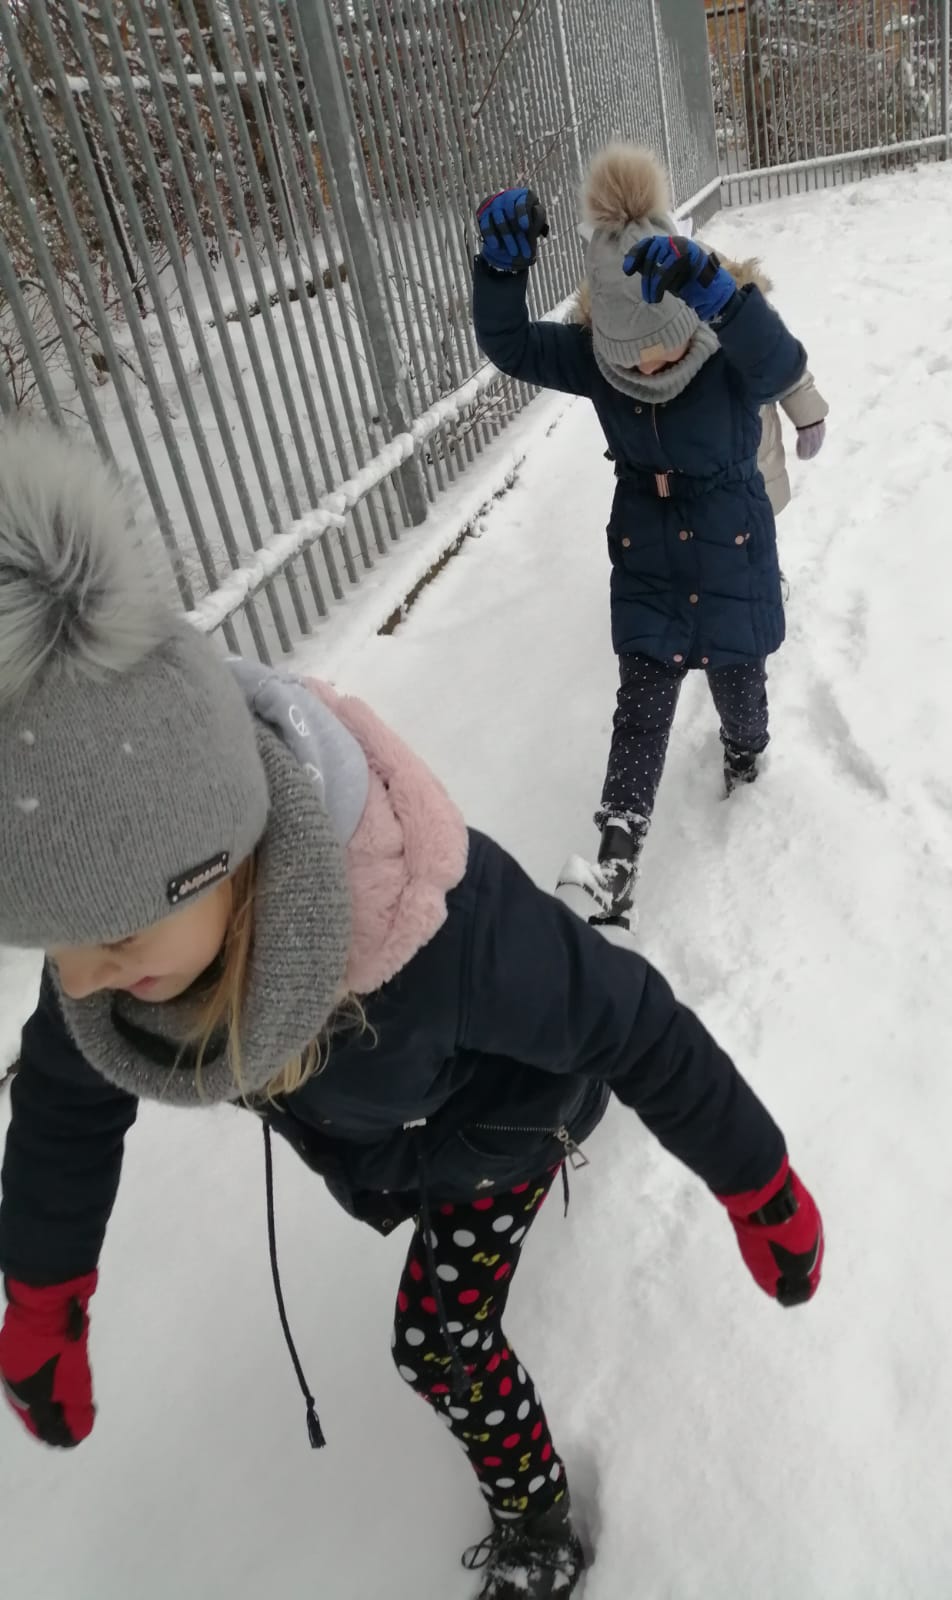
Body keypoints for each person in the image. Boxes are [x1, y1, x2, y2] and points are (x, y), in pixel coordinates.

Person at [0, 422, 825, 1600]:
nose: (76, 980)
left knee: (437, 1344)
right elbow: (67, 1100)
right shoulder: (120, 929)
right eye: (54, 948)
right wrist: (43, 1291)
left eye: (112, 943)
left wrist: (760, 1185)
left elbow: (634, 1023)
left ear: (223, 862)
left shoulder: (435, 931)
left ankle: (538, 1524)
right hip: (399, 1122)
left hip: (502, 1120)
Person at [473, 144, 826, 931]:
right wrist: (499, 272)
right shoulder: (596, 362)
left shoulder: (725, 345)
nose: (650, 365)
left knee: (740, 684)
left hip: (732, 542)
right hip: (649, 552)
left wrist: (727, 302)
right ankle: (616, 855)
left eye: (662, 344)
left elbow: (780, 367)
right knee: (641, 705)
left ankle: (745, 753)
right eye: (629, 355)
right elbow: (512, 347)